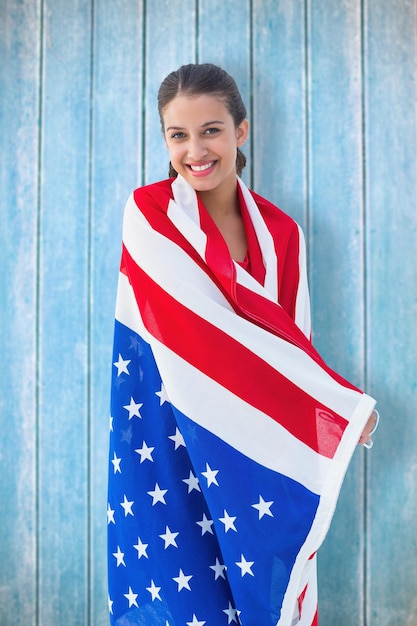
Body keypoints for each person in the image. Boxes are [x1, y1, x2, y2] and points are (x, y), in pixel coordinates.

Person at [107, 63, 378, 626]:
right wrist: (339, 405)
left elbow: (287, 346)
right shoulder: (151, 215)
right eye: (178, 135)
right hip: (167, 433)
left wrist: (326, 408)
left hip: (252, 443)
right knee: (179, 591)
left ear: (242, 132)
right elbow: (212, 335)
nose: (195, 150)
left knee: (258, 586)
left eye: (211, 130)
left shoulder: (282, 234)